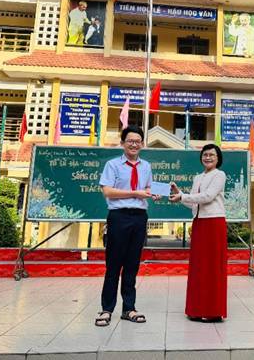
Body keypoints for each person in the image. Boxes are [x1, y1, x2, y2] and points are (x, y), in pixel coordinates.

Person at [95, 125, 160, 327]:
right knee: (114, 265)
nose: (134, 144)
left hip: (139, 217)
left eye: (137, 141)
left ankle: (129, 309)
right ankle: (106, 309)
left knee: (132, 265)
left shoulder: (146, 166)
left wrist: (154, 192)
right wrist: (135, 193)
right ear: (122, 143)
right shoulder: (113, 165)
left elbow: (147, 187)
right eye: (130, 141)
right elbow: (107, 191)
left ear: (142, 144)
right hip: (119, 217)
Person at [169, 144, 227, 322]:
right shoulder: (198, 177)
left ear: (218, 158)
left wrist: (183, 196)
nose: (207, 157)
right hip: (199, 222)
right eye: (205, 154)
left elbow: (208, 197)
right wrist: (179, 195)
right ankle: (196, 309)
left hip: (214, 222)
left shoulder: (219, 175)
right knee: (199, 266)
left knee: (213, 267)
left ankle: (213, 311)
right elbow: (193, 203)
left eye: (211, 155)